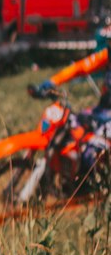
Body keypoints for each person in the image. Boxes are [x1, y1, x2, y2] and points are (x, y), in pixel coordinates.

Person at [35, 17, 111, 175]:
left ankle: (94, 188)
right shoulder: (107, 56)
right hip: (101, 112)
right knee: (70, 129)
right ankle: (70, 179)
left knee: (93, 149)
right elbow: (80, 68)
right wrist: (53, 81)